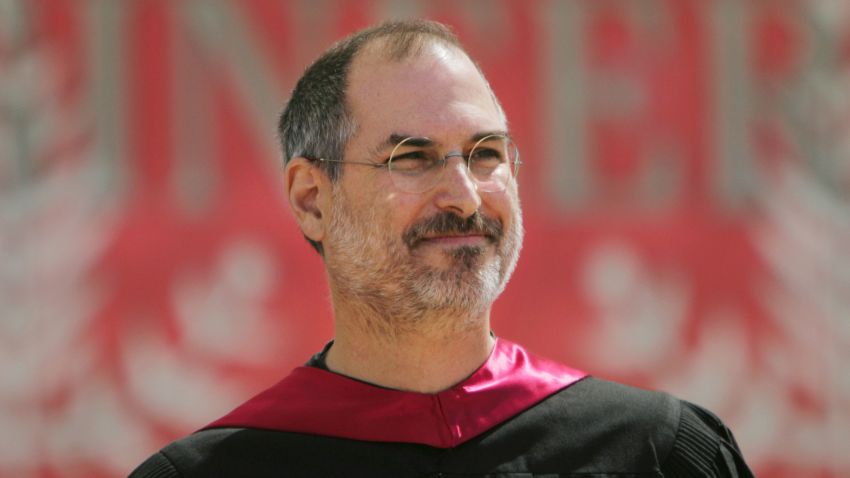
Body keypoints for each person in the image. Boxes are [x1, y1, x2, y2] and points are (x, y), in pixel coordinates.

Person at [129, 20, 753, 477]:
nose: (464, 196)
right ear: (312, 199)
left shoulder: (658, 456)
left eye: (485, 154)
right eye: (414, 158)